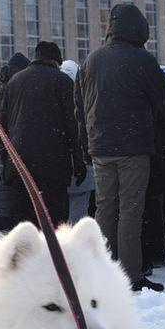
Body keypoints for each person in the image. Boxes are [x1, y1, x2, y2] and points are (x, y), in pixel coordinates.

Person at [77, 2, 165, 289]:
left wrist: (86, 144)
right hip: (133, 146)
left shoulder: (91, 60)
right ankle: (130, 274)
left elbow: (79, 108)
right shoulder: (142, 60)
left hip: (100, 146)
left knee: (105, 208)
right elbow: (163, 100)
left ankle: (102, 269)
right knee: (130, 210)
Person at [0, 40, 85, 225]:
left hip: (20, 166)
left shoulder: (14, 82)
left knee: (24, 226)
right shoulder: (62, 82)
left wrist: (6, 165)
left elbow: (3, 127)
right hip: (53, 166)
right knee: (54, 225)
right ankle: (52, 253)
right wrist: (79, 162)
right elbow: (73, 125)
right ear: (56, 61)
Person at [59, 59, 95, 223]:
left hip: (58, 166)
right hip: (82, 164)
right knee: (79, 211)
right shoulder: (85, 98)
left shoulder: (52, 97)